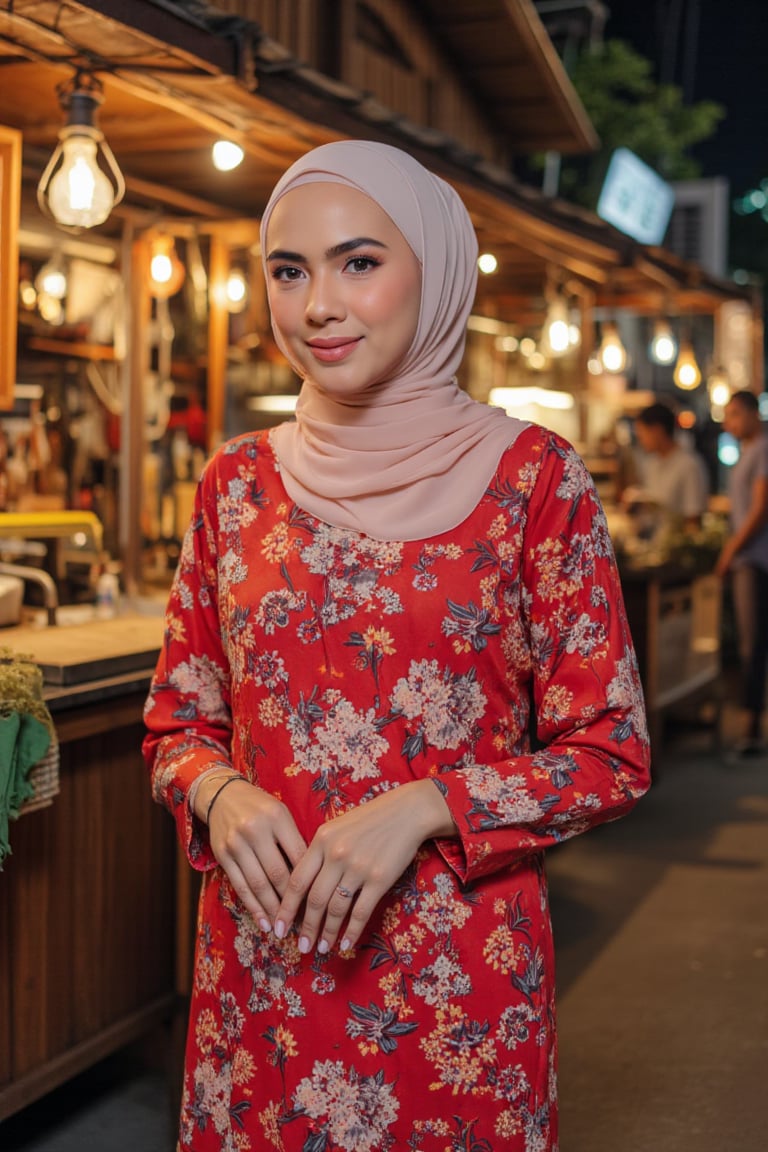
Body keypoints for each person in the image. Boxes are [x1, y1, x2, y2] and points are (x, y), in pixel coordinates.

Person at [143, 140, 651, 1152]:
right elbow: (175, 721)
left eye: (358, 262)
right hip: (264, 975)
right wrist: (218, 789)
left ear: (435, 268)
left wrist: (428, 807)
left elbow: (612, 754)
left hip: (455, 993)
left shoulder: (534, 482)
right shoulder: (235, 484)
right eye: (289, 271)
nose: (318, 305)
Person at [715, 389, 768, 755]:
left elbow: (760, 507)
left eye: (734, 414)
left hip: (754, 559)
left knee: (753, 643)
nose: (728, 422)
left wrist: (731, 549)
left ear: (751, 413)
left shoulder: (763, 448)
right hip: (749, 557)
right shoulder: (750, 450)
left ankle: (752, 729)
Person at [626, 401, 709, 530]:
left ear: (657, 431)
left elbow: (693, 520)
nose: (641, 441)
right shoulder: (652, 463)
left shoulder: (689, 465)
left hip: (675, 546)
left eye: (642, 435)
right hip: (652, 543)